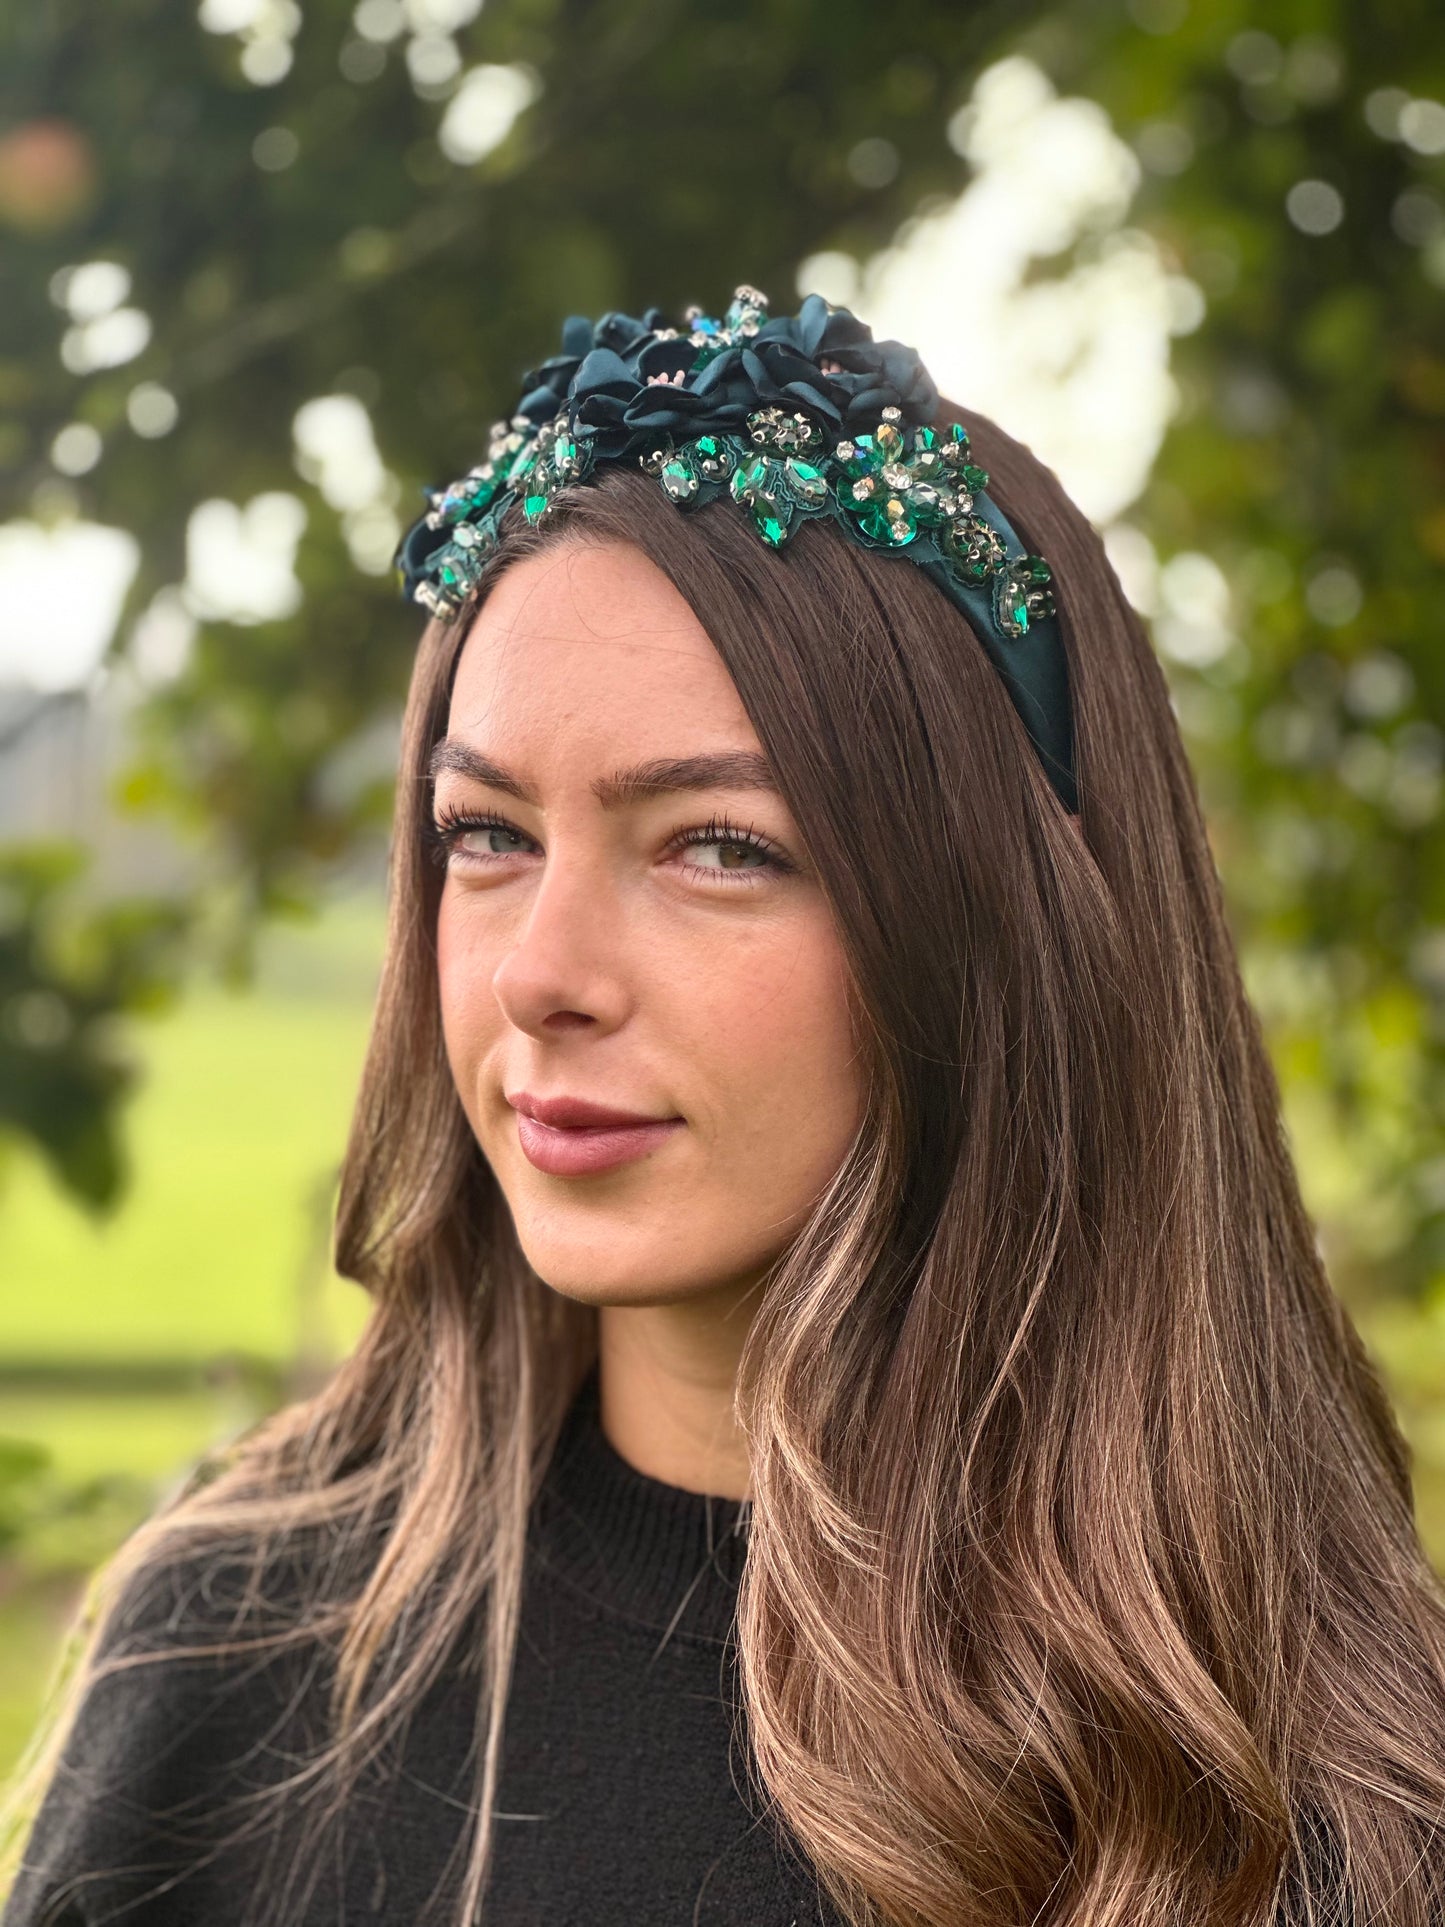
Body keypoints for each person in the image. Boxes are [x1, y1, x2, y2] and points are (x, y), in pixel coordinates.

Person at [3, 283, 1444, 1927]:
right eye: (486, 834)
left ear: (1001, 940)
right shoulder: (237, 1667)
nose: (543, 973)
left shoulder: (1322, 1797)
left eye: (718, 847)